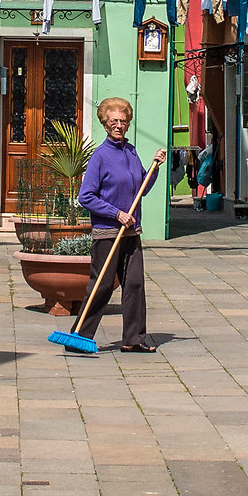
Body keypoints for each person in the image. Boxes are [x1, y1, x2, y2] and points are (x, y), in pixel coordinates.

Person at [73, 96, 163, 352]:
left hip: (131, 232)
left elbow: (141, 189)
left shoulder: (131, 152)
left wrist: (154, 168)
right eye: (114, 121)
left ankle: (134, 339)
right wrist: (116, 214)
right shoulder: (100, 156)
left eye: (123, 121)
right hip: (108, 232)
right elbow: (86, 196)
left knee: (134, 285)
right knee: (101, 285)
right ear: (105, 123)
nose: (119, 125)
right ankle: (79, 335)